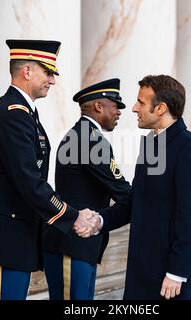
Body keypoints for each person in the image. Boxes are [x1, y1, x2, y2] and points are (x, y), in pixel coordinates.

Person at [0, 39, 97, 300]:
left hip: (17, 238)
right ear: (27, 71)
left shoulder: (25, 114)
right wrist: (73, 215)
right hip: (4, 240)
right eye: (48, 72)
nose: (53, 81)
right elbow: (29, 181)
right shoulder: (12, 114)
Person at [78, 75, 191, 300]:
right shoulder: (150, 143)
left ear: (160, 108)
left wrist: (177, 272)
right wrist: (100, 221)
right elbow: (136, 199)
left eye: (141, 102)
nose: (133, 108)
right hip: (143, 273)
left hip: (172, 280)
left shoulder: (190, 148)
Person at [42, 78, 132, 300]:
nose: (119, 112)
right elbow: (121, 190)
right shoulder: (89, 141)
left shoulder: (82, 136)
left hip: (77, 245)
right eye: (115, 106)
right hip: (72, 244)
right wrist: (156, 199)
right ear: (98, 107)